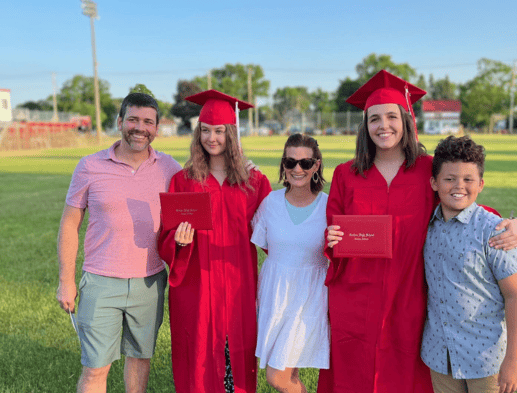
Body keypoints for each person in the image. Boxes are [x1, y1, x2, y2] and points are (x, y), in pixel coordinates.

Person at [320, 70, 517, 393]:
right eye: (374, 119)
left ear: (406, 119)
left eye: (391, 116)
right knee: (355, 374)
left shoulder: (427, 170)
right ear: (365, 125)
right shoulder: (347, 174)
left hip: (410, 292)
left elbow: (461, 203)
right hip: (357, 295)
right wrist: (332, 240)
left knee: (406, 375)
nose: (383, 126)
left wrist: (509, 223)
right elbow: (332, 233)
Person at [56, 93, 182, 392]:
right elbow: (69, 224)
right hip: (100, 282)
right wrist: (66, 281)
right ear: (120, 122)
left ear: (157, 128)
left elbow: (203, 194)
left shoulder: (170, 168)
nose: (140, 128)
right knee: (95, 369)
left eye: (148, 122)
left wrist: (242, 167)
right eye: (133, 120)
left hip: (149, 283)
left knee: (139, 361)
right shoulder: (89, 166)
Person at [157, 90, 272, 393]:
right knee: (199, 355)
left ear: (231, 134)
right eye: (205, 131)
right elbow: (166, 236)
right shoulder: (183, 181)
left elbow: (274, 235)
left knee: (237, 351)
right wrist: (179, 242)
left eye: (219, 131)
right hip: (198, 284)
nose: (211, 138)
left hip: (238, 283)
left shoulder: (254, 182)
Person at [421, 136, 517, 393]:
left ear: (480, 184)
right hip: (439, 357)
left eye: (468, 179)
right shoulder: (426, 227)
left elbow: (516, 296)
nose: (459, 186)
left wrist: (514, 360)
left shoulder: (495, 230)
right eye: (449, 179)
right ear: (434, 183)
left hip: (486, 361)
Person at [251, 133, 330, 393]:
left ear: (316, 165)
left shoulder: (328, 207)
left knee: (278, 377)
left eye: (306, 163)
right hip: (275, 296)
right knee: (287, 375)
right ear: (283, 165)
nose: (298, 169)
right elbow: (263, 244)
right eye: (290, 162)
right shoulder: (270, 203)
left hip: (309, 300)